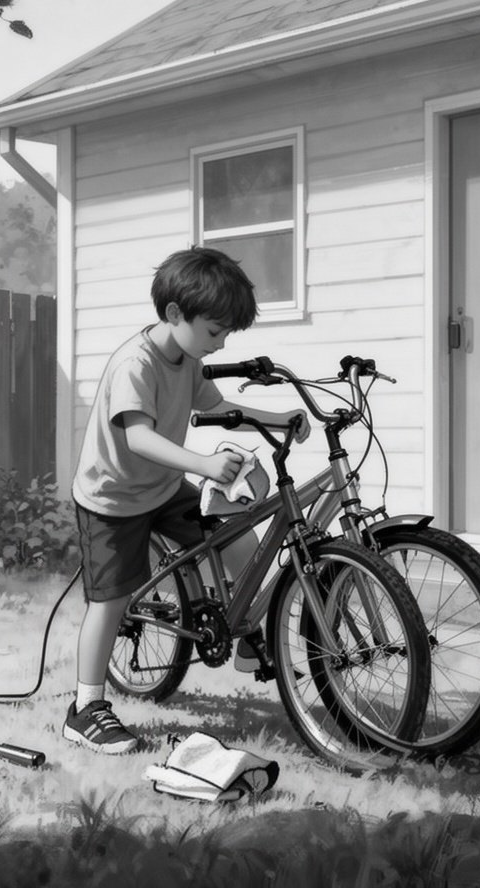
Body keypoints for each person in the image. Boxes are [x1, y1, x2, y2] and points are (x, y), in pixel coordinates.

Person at [64, 246, 309, 754]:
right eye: (215, 332)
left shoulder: (187, 356)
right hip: (113, 496)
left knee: (239, 538)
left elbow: (219, 406)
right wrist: (202, 465)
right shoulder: (138, 363)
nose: (220, 345)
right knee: (110, 602)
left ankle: (244, 633)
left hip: (162, 485)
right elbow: (139, 439)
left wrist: (277, 419)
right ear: (176, 314)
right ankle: (85, 708)